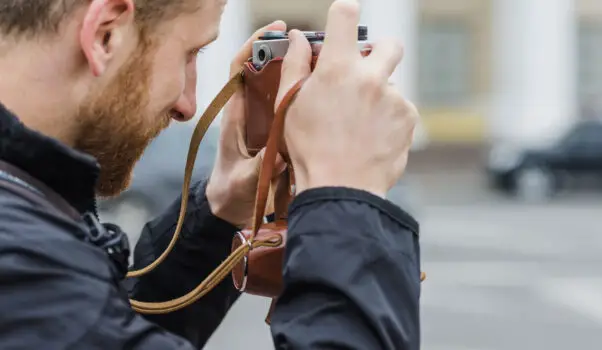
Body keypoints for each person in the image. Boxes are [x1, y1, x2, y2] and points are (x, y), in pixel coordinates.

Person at [0, 0, 421, 348]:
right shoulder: (24, 265)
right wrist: (346, 197)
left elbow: (102, 327)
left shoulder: (26, 245)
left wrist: (217, 215)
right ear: (105, 35)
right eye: (189, 53)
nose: (188, 104)